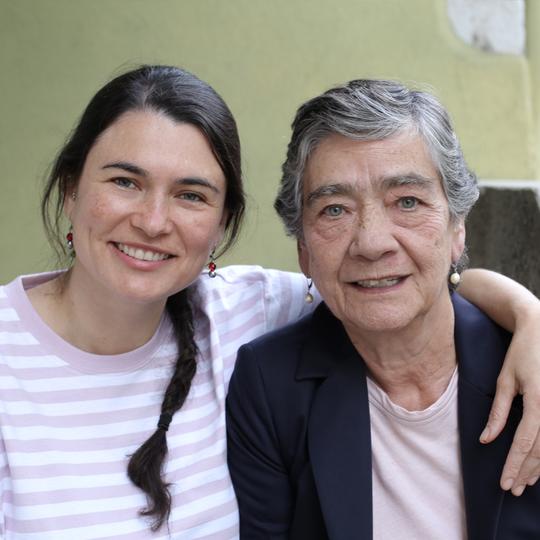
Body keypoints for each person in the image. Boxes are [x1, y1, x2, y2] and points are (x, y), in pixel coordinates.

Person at [0, 67, 538, 539]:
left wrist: (528, 316)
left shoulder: (241, 309)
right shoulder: (269, 357)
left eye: (190, 195)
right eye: (125, 181)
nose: (154, 221)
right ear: (70, 189)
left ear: (221, 225)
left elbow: (401, 289)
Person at [226, 79, 540, 539]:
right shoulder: (270, 385)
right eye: (335, 210)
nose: (372, 243)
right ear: (304, 250)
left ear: (457, 229)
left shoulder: (526, 361)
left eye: (407, 202)